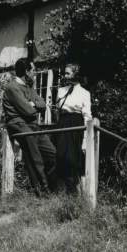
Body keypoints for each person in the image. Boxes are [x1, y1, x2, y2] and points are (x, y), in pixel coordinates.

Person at [2, 58, 56, 195]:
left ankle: (49, 183)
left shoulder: (28, 87)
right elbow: (28, 110)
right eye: (33, 70)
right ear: (26, 71)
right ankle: (42, 189)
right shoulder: (11, 88)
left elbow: (43, 104)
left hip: (32, 124)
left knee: (52, 153)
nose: (35, 73)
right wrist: (32, 105)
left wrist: (32, 104)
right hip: (18, 124)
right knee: (34, 154)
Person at [54, 64, 91, 194]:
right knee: (60, 155)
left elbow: (87, 116)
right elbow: (58, 110)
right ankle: (61, 191)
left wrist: (86, 138)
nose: (65, 76)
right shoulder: (61, 91)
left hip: (76, 125)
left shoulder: (85, 93)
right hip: (63, 123)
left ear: (76, 74)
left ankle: (73, 191)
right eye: (65, 73)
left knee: (73, 157)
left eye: (68, 73)